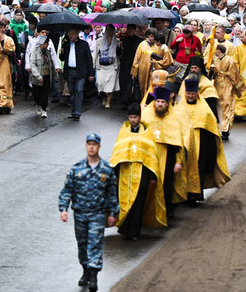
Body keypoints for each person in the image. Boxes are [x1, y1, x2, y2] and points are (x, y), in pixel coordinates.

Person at [58, 133, 118, 292]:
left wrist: (113, 212)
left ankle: (93, 277)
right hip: (80, 214)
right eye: (89, 144)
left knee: (95, 244)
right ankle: (85, 271)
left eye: (94, 144)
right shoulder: (76, 168)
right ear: (86, 146)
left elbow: (112, 193)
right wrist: (63, 209)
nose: (91, 147)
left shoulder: (106, 169)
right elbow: (67, 191)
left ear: (99, 146)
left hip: (97, 214)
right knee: (82, 244)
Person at [110, 104, 166, 240]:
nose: (133, 120)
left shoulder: (147, 133)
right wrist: (114, 174)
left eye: (135, 117)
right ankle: (124, 227)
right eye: (131, 117)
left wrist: (152, 177)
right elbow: (117, 154)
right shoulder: (123, 132)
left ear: (140, 117)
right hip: (125, 174)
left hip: (142, 175)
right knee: (125, 202)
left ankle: (135, 232)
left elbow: (151, 157)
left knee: (138, 204)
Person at [176, 77, 230, 205]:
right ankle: (181, 195)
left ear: (197, 94)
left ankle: (194, 196)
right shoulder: (179, 108)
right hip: (183, 147)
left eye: (192, 94)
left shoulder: (204, 110)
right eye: (188, 94)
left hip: (200, 148)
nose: (190, 96)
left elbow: (211, 128)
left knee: (197, 171)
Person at [140, 86, 186, 217]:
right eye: (158, 101)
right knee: (147, 186)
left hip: (168, 159)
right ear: (154, 102)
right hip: (148, 158)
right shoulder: (145, 116)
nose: (160, 104)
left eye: (163, 102)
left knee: (166, 186)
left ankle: (164, 213)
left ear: (167, 104)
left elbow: (178, 143)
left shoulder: (173, 119)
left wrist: (178, 162)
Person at [59, 28, 95, 120]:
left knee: (79, 90)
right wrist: (61, 53)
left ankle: (77, 112)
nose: (70, 36)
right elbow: (62, 58)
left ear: (77, 34)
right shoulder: (66, 44)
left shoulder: (83, 44)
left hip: (81, 71)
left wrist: (91, 73)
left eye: (73, 34)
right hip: (70, 71)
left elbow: (89, 59)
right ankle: (74, 111)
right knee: (72, 91)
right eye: (69, 34)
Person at [212, 44, 245, 140]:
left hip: (227, 85)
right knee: (219, 106)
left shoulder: (230, 60)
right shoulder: (215, 60)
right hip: (217, 85)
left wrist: (238, 88)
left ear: (219, 50)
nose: (215, 51)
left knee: (227, 105)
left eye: (216, 50)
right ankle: (221, 128)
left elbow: (234, 74)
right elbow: (214, 73)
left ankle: (225, 130)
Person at [30, 34, 59, 118]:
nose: (47, 45)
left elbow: (51, 64)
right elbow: (33, 65)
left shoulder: (48, 53)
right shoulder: (34, 52)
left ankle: (44, 109)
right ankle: (38, 104)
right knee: (37, 93)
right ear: (42, 43)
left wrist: (55, 74)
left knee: (45, 93)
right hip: (38, 77)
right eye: (46, 43)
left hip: (46, 76)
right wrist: (38, 76)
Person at [93, 24, 120, 108]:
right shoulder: (99, 41)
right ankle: (104, 96)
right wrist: (93, 64)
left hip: (112, 66)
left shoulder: (117, 42)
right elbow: (95, 53)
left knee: (111, 85)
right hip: (101, 66)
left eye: (111, 30)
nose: (109, 31)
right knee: (100, 83)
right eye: (107, 29)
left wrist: (119, 48)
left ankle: (108, 101)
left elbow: (120, 55)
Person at [130, 28, 158, 101]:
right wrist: (134, 72)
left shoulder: (157, 46)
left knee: (151, 87)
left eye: (154, 36)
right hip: (142, 70)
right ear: (148, 36)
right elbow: (137, 58)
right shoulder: (142, 44)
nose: (153, 38)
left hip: (153, 70)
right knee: (141, 86)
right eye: (151, 36)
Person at [118, 24, 142, 106]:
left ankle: (129, 100)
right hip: (124, 63)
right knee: (123, 81)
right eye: (128, 29)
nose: (129, 31)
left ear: (135, 30)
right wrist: (119, 46)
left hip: (134, 63)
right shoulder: (124, 40)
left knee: (131, 82)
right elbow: (119, 53)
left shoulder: (139, 40)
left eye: (131, 29)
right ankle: (123, 99)